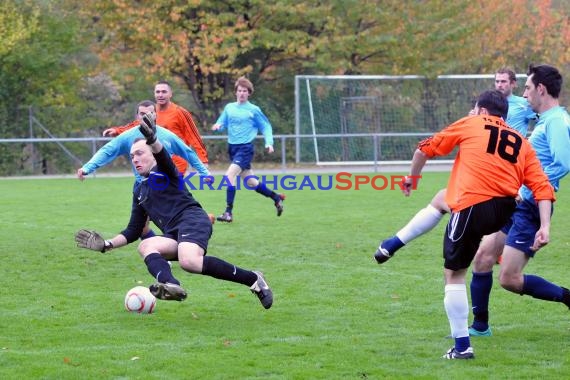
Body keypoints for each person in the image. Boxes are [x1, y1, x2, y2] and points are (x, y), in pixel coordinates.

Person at [401, 89, 554, 359]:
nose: (472, 113)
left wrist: (412, 178)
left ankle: (462, 347)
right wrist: (545, 227)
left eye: (474, 109)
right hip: (504, 211)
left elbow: (425, 148)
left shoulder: (472, 123)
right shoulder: (521, 140)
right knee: (480, 257)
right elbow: (542, 187)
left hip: (473, 205)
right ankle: (478, 326)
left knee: (454, 273)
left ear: (482, 111)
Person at [75, 112, 273, 309]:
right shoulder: (139, 189)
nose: (134, 158)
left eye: (140, 153)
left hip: (193, 220)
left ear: (152, 154)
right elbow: (134, 230)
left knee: (189, 261)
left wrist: (152, 139)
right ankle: (171, 285)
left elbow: (163, 156)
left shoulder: (164, 171)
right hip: (173, 233)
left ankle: (254, 279)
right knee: (146, 246)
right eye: (132, 155)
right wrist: (106, 244)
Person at [374, 67, 535, 264]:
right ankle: (394, 243)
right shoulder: (515, 134)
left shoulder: (520, 107)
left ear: (513, 84)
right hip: (506, 189)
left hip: (497, 182)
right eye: (497, 81)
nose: (500, 84)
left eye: (504, 81)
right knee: (445, 198)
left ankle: (395, 243)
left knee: (455, 274)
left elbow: (422, 151)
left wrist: (412, 178)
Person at [469, 64, 570, 336]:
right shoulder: (545, 120)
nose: (524, 94)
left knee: (510, 279)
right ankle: (480, 328)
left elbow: (563, 162)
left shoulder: (557, 122)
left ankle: (568, 297)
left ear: (541, 89)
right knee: (482, 257)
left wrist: (531, 180)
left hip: (531, 207)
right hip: (517, 203)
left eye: (527, 88)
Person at [77, 100, 211, 238]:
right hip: (143, 187)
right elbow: (107, 151)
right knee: (141, 228)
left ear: (155, 115)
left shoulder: (167, 136)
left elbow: (187, 152)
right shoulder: (128, 136)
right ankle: (162, 253)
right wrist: (88, 167)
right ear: (137, 117)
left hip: (167, 186)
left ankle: (195, 229)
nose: (145, 117)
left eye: (149, 113)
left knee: (172, 221)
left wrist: (204, 172)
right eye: (142, 114)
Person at [211, 76, 285, 223]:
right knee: (251, 182)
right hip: (232, 148)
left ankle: (228, 212)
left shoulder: (253, 110)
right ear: (236, 92)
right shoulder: (229, 108)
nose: (242, 93)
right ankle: (276, 198)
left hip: (245, 148)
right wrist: (218, 126)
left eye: (245, 91)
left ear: (249, 93)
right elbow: (222, 122)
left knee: (229, 175)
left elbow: (266, 126)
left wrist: (269, 142)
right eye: (239, 90)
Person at [103, 81, 208, 175]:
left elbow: (194, 136)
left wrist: (203, 160)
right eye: (158, 92)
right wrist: (117, 131)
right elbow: (136, 125)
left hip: (176, 164)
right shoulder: (151, 111)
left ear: (170, 94)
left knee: (171, 194)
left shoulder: (180, 113)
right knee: (153, 194)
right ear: (154, 94)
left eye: (164, 92)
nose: (160, 95)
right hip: (154, 162)